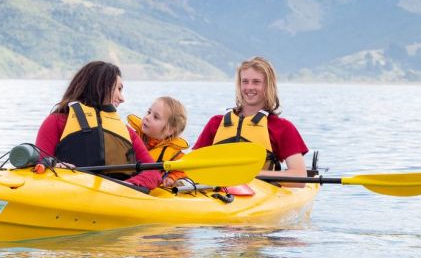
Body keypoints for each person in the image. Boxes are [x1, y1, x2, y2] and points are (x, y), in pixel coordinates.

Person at [35, 60, 161, 190]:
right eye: (119, 89)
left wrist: (127, 185)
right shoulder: (56, 122)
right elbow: (39, 165)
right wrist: (56, 167)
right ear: (101, 86)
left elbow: (153, 172)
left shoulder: (127, 132)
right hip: (69, 191)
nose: (122, 98)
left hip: (117, 196)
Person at [193, 56, 308, 185]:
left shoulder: (282, 127)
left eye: (256, 82)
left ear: (267, 85)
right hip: (217, 192)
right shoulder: (216, 123)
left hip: (261, 194)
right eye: (245, 81)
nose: (249, 87)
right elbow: (192, 167)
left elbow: (299, 177)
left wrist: (250, 174)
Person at [127, 96, 189, 187]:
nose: (147, 117)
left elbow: (184, 169)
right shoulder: (131, 136)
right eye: (149, 112)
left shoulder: (175, 154)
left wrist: (172, 177)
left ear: (170, 130)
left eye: (155, 117)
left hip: (148, 187)